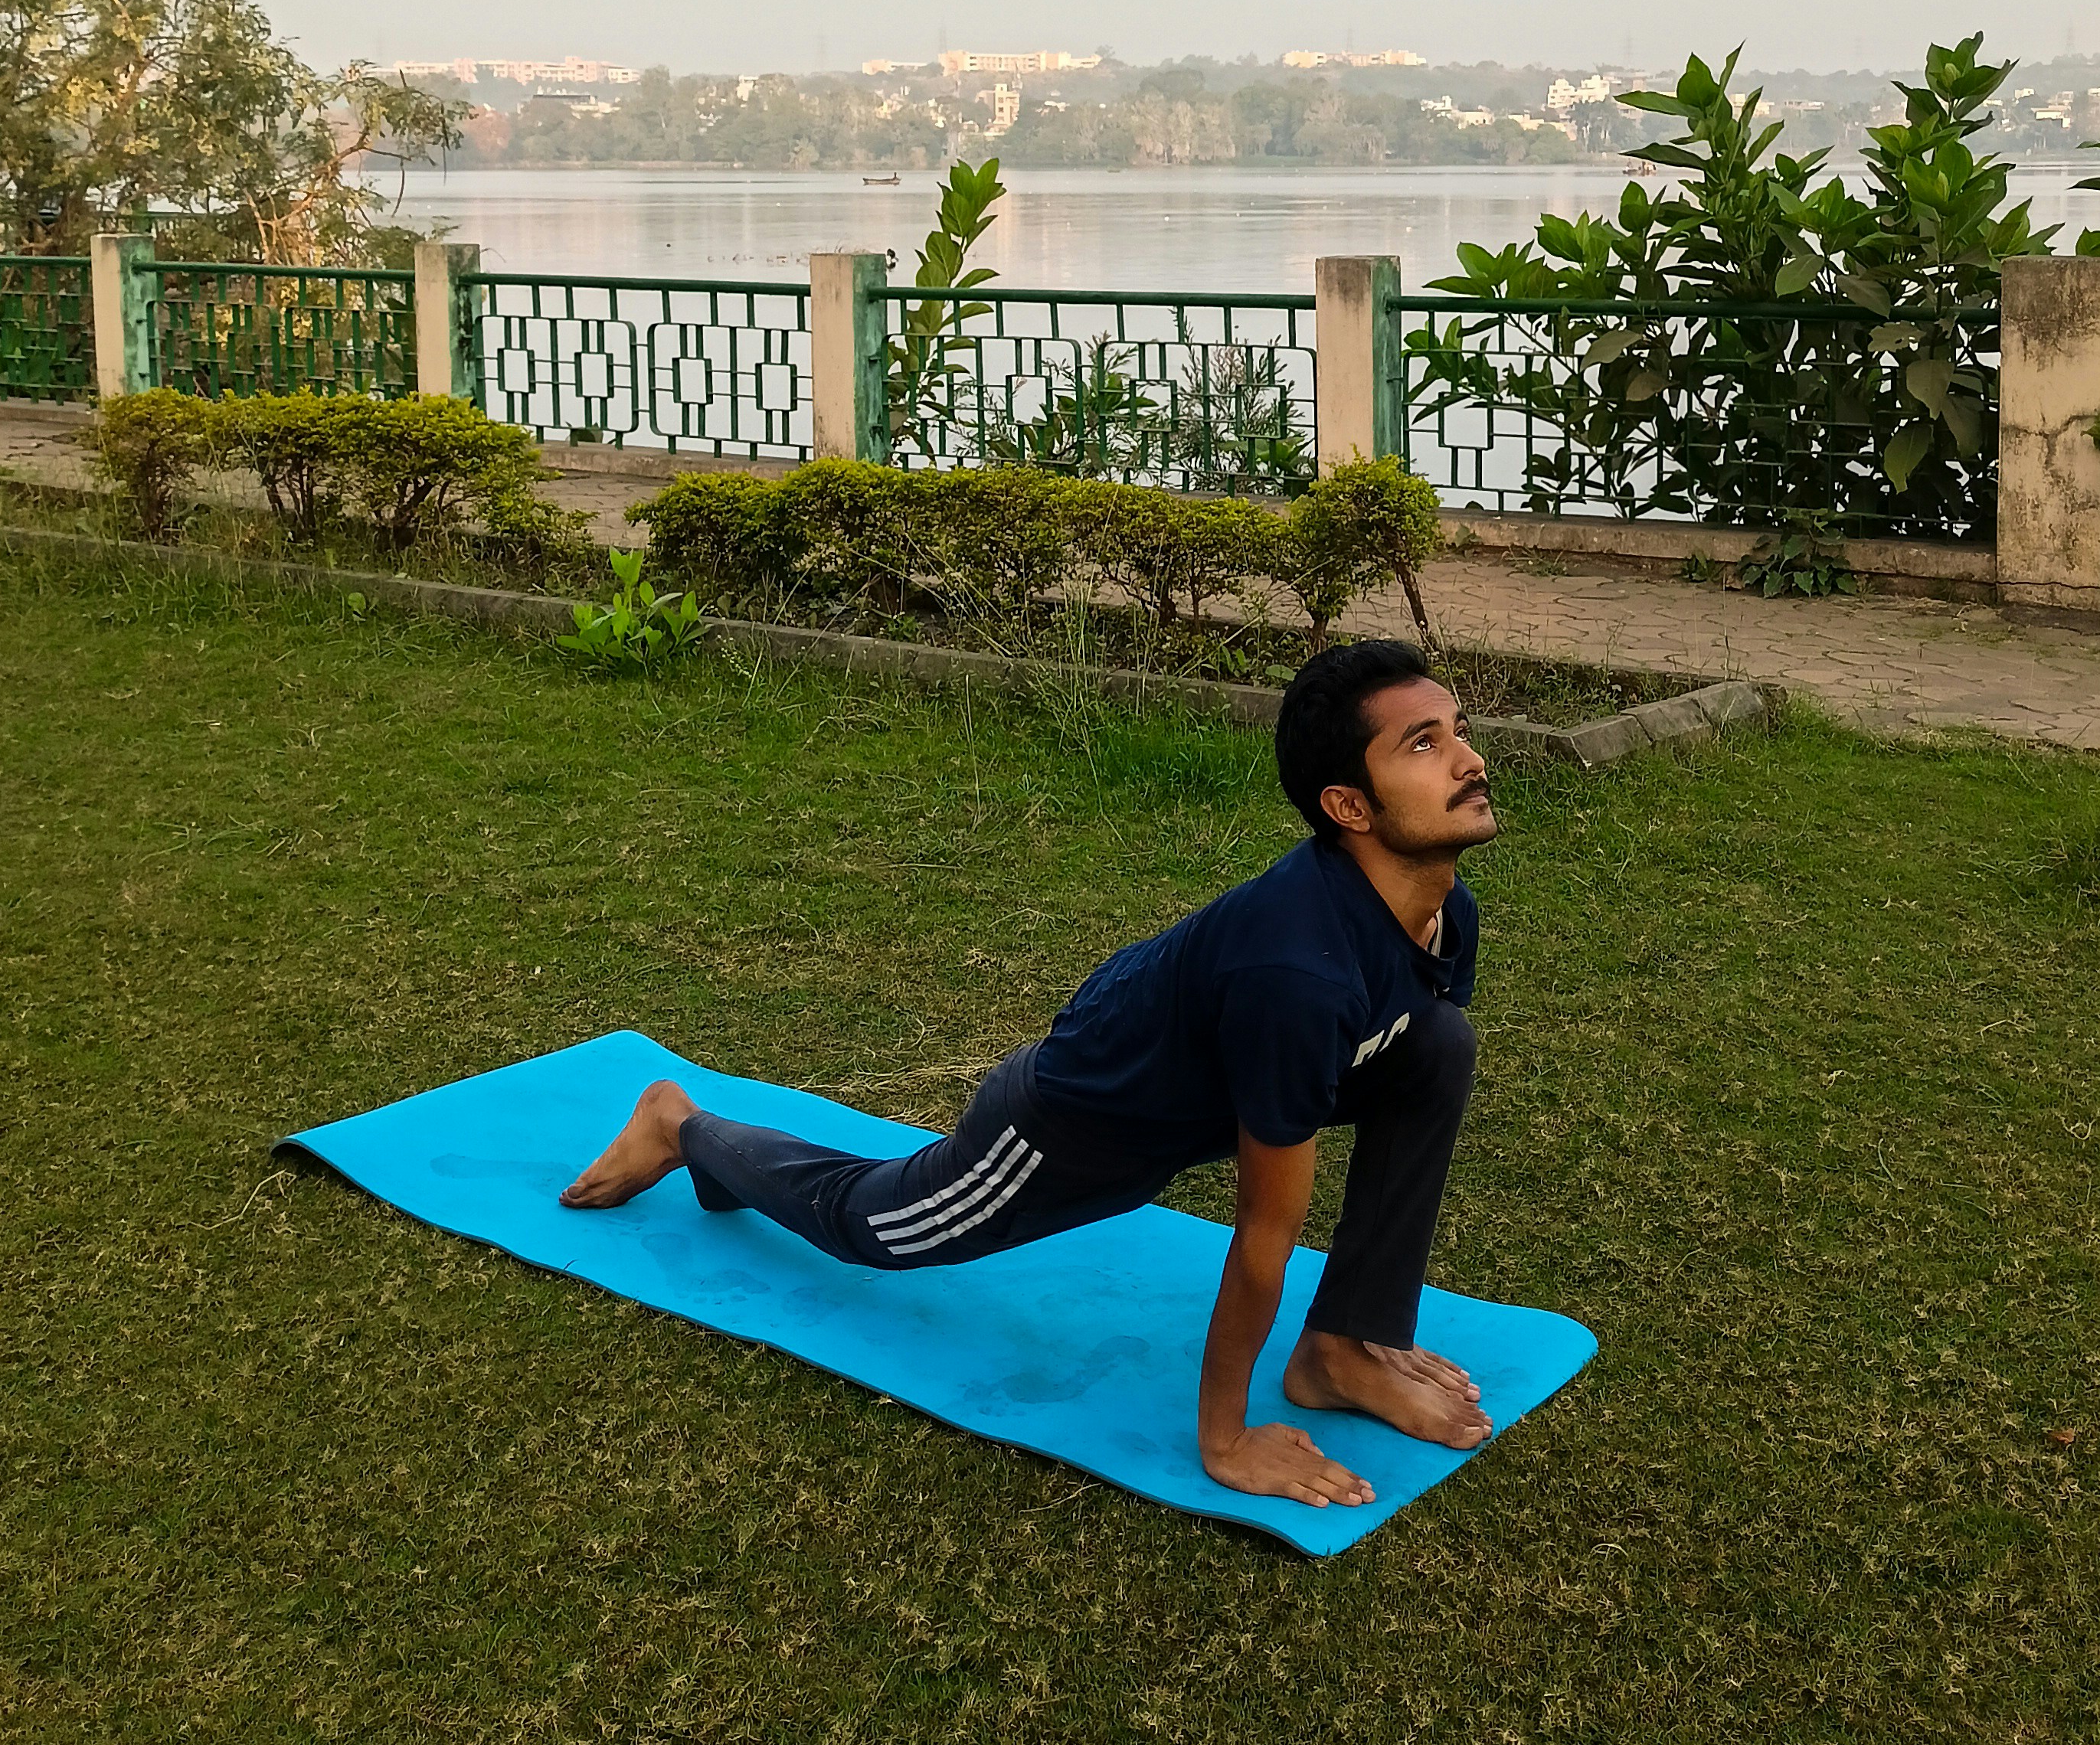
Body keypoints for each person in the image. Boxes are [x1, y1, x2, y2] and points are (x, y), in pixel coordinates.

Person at [561, 636, 1498, 1509]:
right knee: (871, 1227)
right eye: (1423, 744)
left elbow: (1396, 1040)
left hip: (1202, 1084)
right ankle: (680, 1125)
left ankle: (1340, 1348)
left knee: (1439, 1044)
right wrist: (1227, 1440)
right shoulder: (1295, 974)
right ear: (1348, 805)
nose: (1467, 758)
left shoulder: (1441, 911)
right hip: (1073, 1123)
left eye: (1457, 731)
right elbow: (1264, 1234)